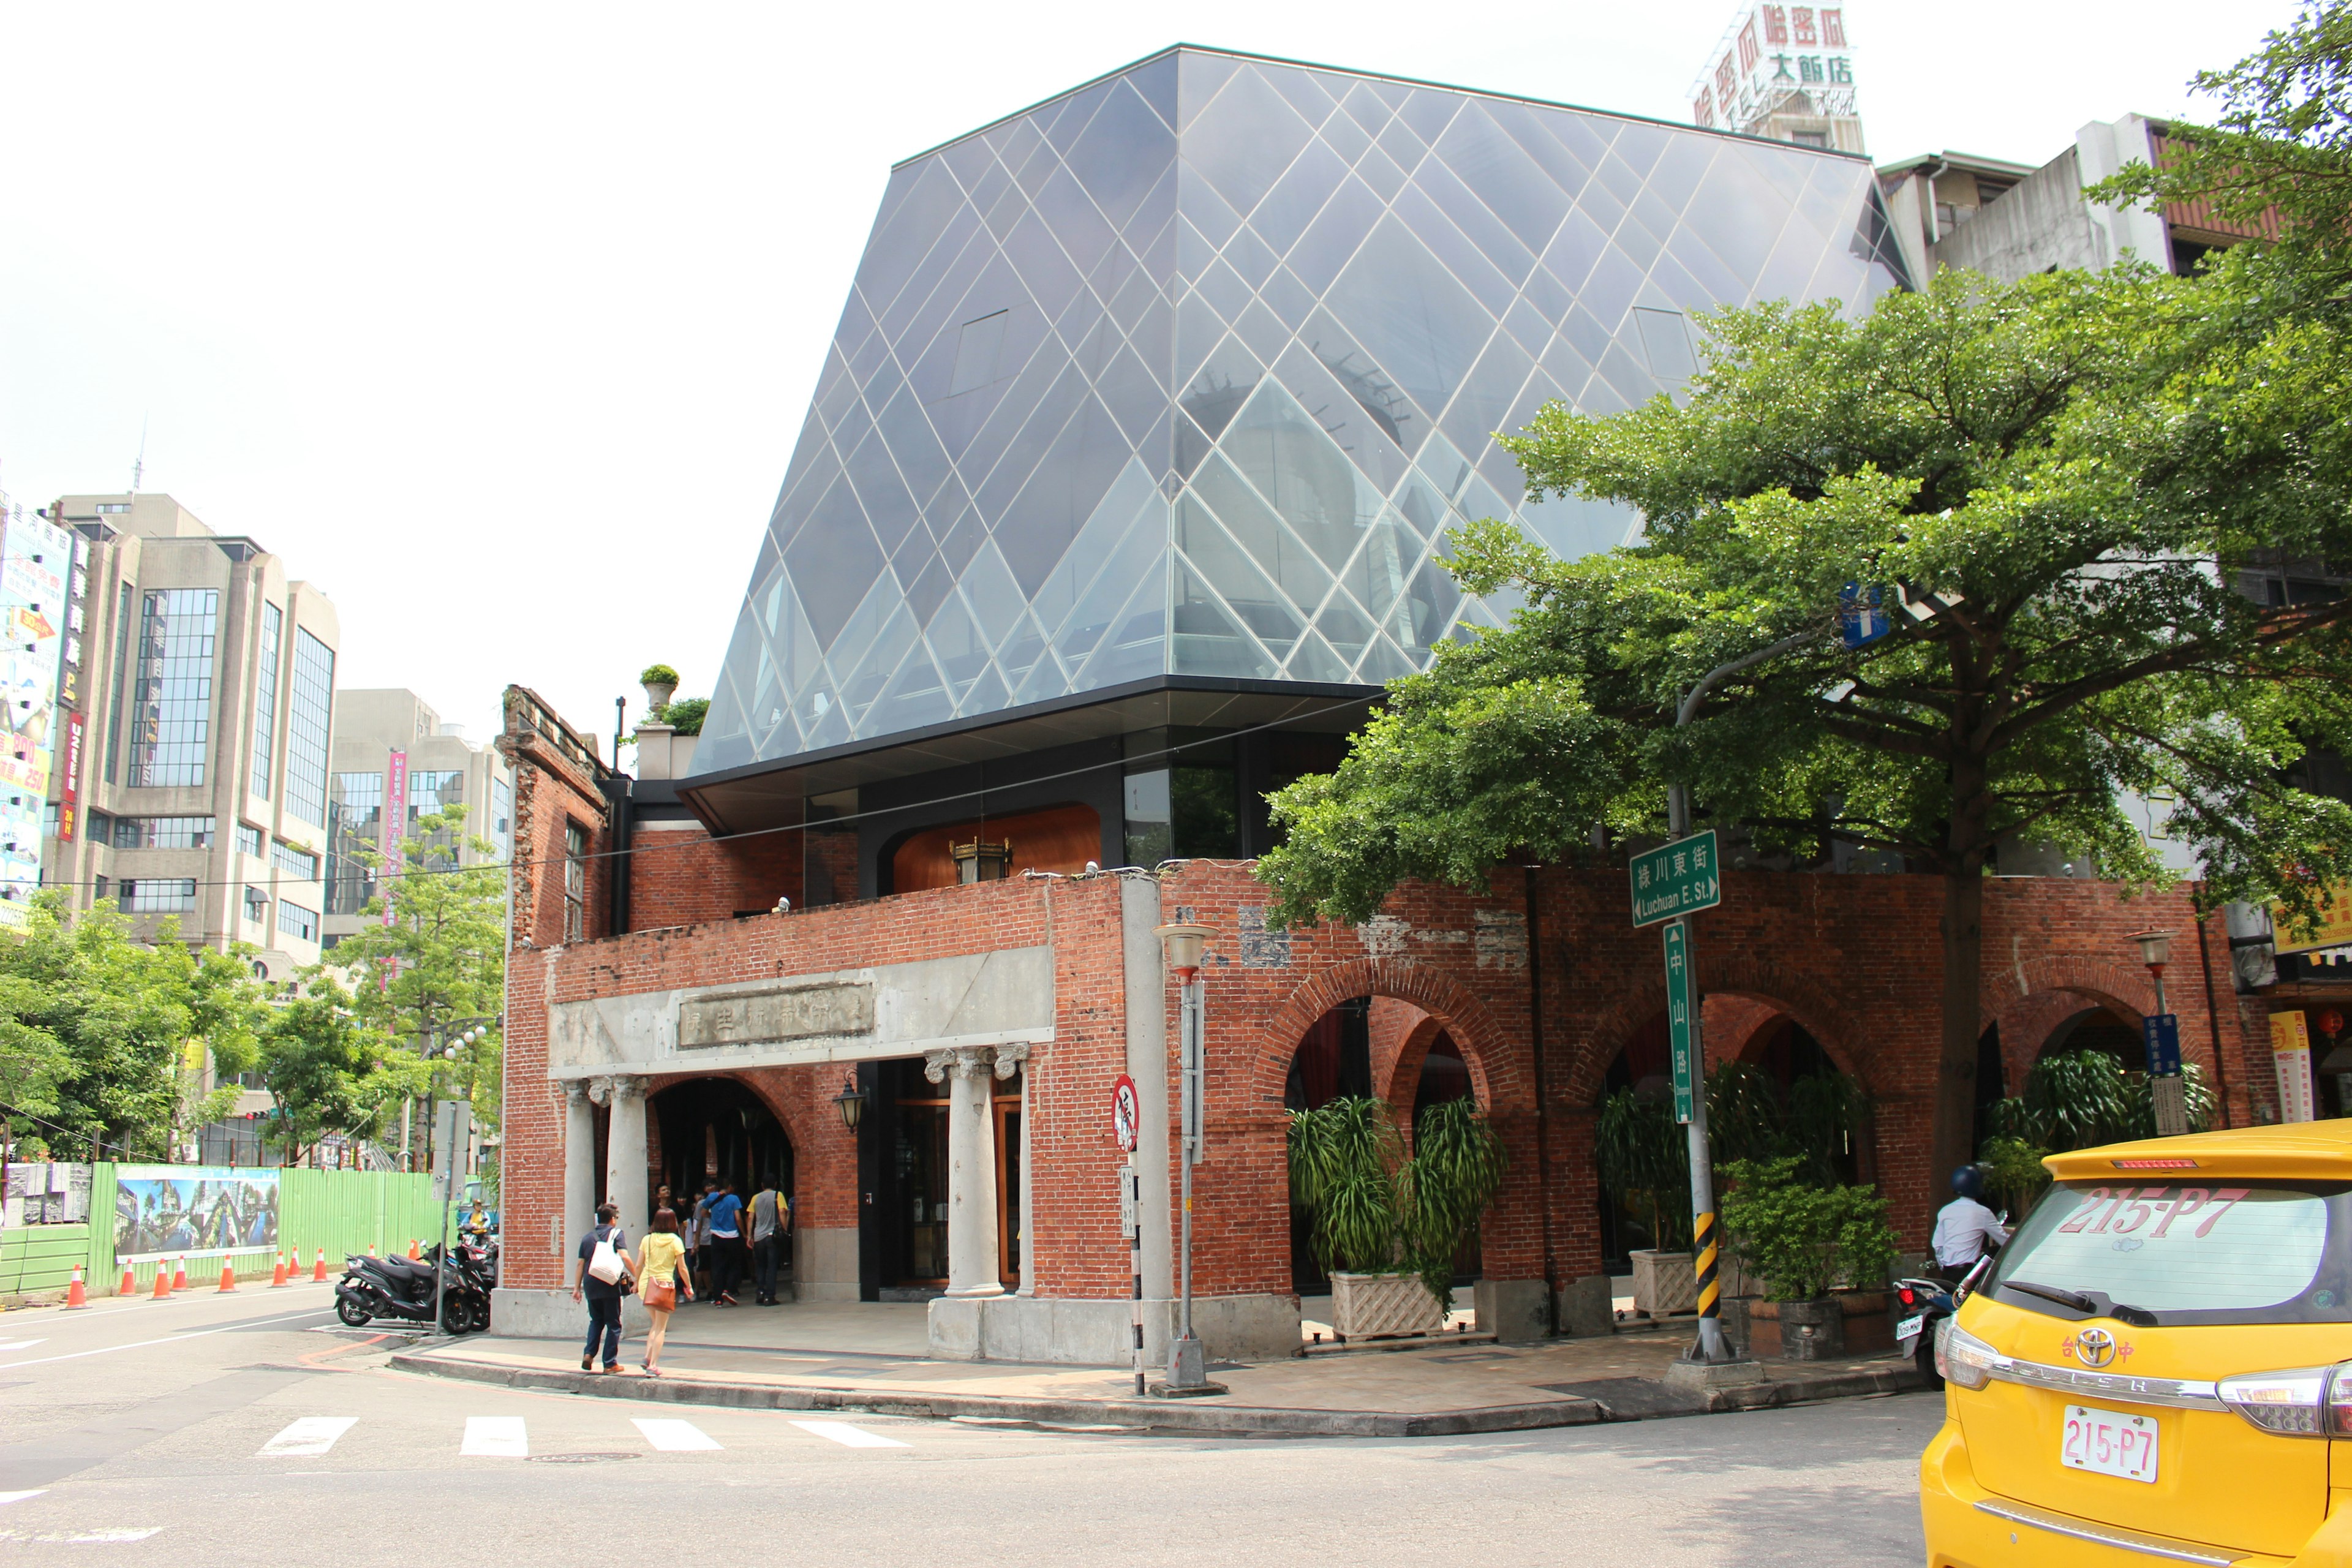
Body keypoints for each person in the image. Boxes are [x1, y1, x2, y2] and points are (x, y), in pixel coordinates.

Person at [571, 1202, 634, 1373]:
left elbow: (579, 1264)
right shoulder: (617, 1234)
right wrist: (637, 1274)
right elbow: (625, 1257)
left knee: (596, 1321)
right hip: (609, 1283)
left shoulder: (587, 1238)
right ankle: (610, 1363)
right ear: (613, 1220)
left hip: (591, 1284)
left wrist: (577, 1288)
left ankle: (589, 1354)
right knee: (613, 1324)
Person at [635, 1207, 693, 1375]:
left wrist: (635, 1282)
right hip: (663, 1285)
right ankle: (653, 1365)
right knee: (661, 1327)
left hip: (647, 1284)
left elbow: (639, 1264)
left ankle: (647, 1356)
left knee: (655, 1323)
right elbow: (682, 1268)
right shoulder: (675, 1241)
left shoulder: (647, 1239)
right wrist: (688, 1286)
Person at [1931, 1166, 2010, 1283]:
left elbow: (1938, 1245)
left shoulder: (1946, 1211)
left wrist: (1943, 1265)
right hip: (1969, 1274)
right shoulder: (1983, 1213)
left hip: (1947, 1273)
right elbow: (2004, 1241)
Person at [704, 1179, 745, 1306]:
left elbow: (703, 1212)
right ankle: (728, 1290)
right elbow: (738, 1218)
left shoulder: (711, 1197)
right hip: (732, 1236)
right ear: (730, 1186)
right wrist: (744, 1233)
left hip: (716, 1236)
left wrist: (714, 1219)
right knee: (735, 1265)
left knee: (717, 1267)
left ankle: (717, 1299)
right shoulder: (734, 1199)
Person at [748, 1178, 788, 1306]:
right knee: (772, 1267)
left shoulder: (755, 1198)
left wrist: (749, 1236)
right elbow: (782, 1211)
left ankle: (760, 1292)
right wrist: (785, 1228)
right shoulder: (778, 1195)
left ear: (762, 1185)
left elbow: (750, 1217)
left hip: (758, 1236)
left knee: (761, 1266)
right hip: (772, 1236)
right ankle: (769, 1296)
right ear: (775, 1184)